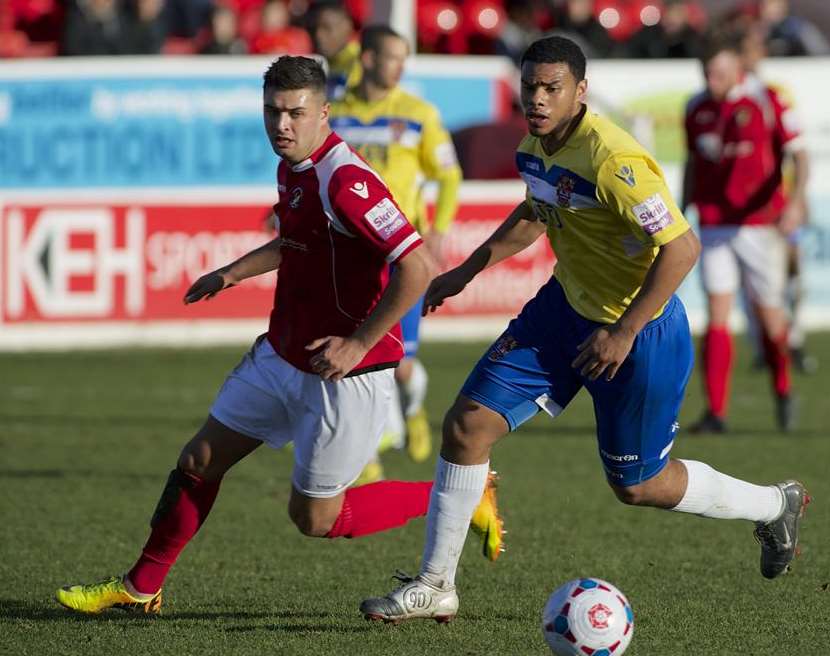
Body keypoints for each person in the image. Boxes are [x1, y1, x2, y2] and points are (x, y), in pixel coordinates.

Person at [360, 36, 810, 624]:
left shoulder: (615, 161)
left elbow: (682, 248)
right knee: (467, 426)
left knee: (637, 484)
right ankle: (435, 583)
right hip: (564, 311)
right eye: (530, 88)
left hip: (639, 332)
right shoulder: (535, 146)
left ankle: (774, 505)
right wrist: (466, 271)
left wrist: (623, 331)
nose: (539, 100)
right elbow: (534, 212)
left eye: (552, 88)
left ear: (580, 92)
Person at [54, 55, 502, 615]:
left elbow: (415, 266)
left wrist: (358, 343)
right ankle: (141, 587)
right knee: (198, 461)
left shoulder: (347, 180)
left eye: (295, 112)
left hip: (346, 373)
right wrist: (231, 273)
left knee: (316, 518)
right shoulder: (294, 166)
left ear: (324, 113)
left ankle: (463, 497)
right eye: (272, 111)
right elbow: (297, 241)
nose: (281, 124)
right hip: (284, 354)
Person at [330, 25, 462, 477]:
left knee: (401, 365)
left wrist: (439, 231)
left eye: (405, 59)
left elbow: (448, 175)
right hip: (351, 252)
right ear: (367, 59)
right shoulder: (337, 115)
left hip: (400, 254)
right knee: (358, 354)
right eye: (392, 57)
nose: (400, 67)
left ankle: (413, 411)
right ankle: (368, 454)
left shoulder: (418, 113)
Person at [683, 38, 803, 434]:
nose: (711, 80)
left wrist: (795, 202)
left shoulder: (767, 101)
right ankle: (716, 413)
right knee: (717, 314)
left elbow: (799, 154)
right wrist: (684, 211)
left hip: (759, 224)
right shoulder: (697, 107)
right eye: (706, 73)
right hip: (715, 224)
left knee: (770, 317)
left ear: (737, 69)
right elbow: (693, 165)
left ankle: (783, 389)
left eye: (718, 72)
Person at [739, 20, 816, 375]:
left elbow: (796, 150)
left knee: (792, 270)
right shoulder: (725, 96)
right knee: (754, 283)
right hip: (744, 211)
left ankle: (793, 338)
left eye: (753, 49)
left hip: (779, 201)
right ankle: (764, 345)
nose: (749, 55)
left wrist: (798, 199)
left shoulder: (774, 94)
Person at [305, 0, 362, 101]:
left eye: (327, 28)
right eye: (313, 28)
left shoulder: (360, 61)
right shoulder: (314, 61)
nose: (318, 36)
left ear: (347, 26)